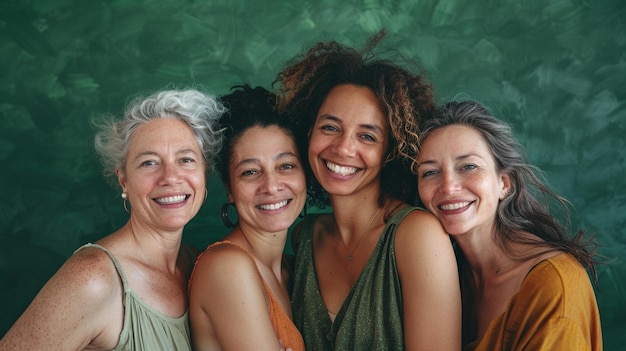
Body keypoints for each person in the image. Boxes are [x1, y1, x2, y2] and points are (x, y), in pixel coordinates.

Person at [274, 32, 462, 350]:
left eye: (368, 136)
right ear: (309, 132)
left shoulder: (416, 235)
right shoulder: (303, 237)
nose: (344, 149)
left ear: (391, 150)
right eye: (330, 127)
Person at [0, 89, 225, 351]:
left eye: (186, 160)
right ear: (123, 181)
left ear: (204, 174)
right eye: (149, 163)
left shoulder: (202, 267)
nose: (171, 177)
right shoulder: (92, 279)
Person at [415, 100, 602, 350]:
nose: (448, 186)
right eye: (430, 172)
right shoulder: (440, 273)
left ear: (504, 183)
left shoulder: (554, 285)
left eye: (468, 166)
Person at [188, 85, 306, 351]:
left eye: (286, 166)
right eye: (250, 172)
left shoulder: (292, 269)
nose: (272, 186)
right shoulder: (227, 267)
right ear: (229, 189)